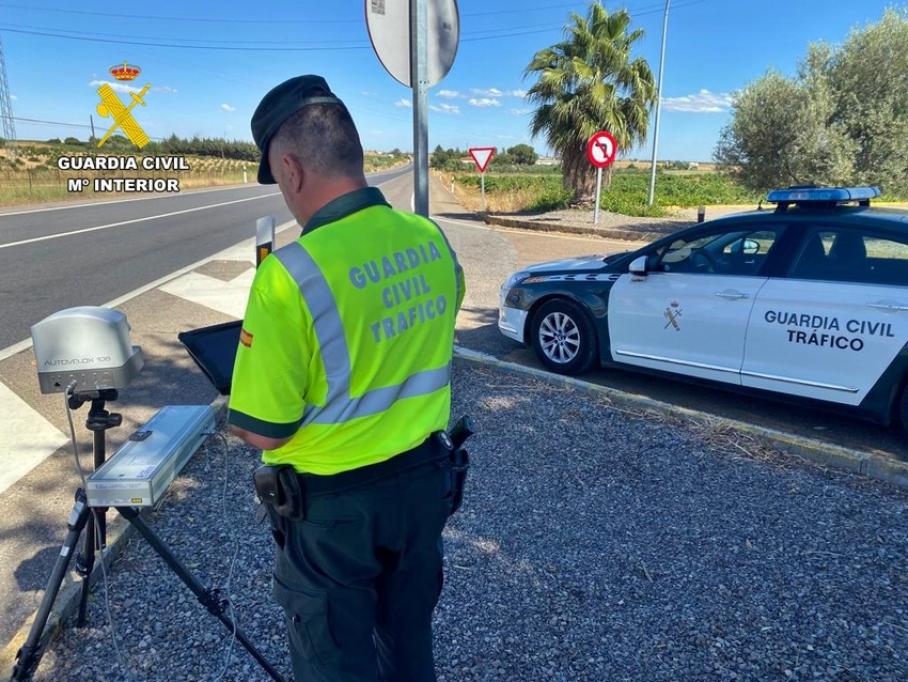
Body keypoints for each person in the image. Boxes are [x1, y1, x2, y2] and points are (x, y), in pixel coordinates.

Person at [227, 75, 465, 682]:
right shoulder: (432, 241)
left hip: (334, 515)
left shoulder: (287, 276)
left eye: (279, 179)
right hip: (421, 491)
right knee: (409, 647)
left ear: (290, 167)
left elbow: (267, 433)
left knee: (335, 663)